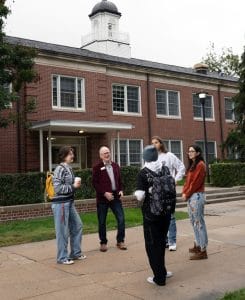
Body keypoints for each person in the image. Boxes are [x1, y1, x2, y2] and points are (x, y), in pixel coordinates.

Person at [135, 145, 174, 286]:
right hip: (166, 212)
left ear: (145, 157)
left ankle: (159, 278)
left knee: (152, 246)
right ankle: (162, 271)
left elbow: (140, 196)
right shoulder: (165, 168)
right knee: (161, 243)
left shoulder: (143, 173)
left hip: (151, 215)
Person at [52, 146, 86, 265]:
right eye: (70, 154)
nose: (73, 156)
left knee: (77, 225)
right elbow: (57, 188)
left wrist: (75, 185)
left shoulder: (69, 168)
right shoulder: (60, 169)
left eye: (72, 153)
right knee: (62, 231)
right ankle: (62, 257)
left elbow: (68, 186)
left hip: (69, 203)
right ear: (63, 156)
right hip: (61, 204)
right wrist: (73, 186)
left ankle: (75, 253)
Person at [152, 136, 185, 251]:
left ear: (161, 143)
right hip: (157, 192)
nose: (154, 145)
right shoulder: (151, 158)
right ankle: (164, 240)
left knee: (170, 216)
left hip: (169, 191)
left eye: (156, 142)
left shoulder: (169, 156)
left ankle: (172, 241)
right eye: (152, 143)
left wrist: (175, 180)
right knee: (160, 216)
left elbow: (181, 167)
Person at [92, 146, 127, 252]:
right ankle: (103, 243)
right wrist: (104, 193)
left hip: (115, 197)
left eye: (108, 152)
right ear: (101, 156)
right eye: (104, 153)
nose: (107, 155)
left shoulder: (116, 166)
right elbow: (95, 183)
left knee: (121, 219)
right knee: (102, 221)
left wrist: (121, 190)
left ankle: (120, 241)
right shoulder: (97, 168)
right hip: (102, 199)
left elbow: (119, 180)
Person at [182, 145, 208, 260]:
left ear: (198, 153)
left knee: (199, 223)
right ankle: (198, 245)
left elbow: (196, 183)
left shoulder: (200, 165)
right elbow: (187, 182)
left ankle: (203, 250)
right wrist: (184, 192)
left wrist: (186, 194)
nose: (190, 153)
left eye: (192, 151)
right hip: (191, 197)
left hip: (197, 196)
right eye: (189, 151)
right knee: (193, 222)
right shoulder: (192, 165)